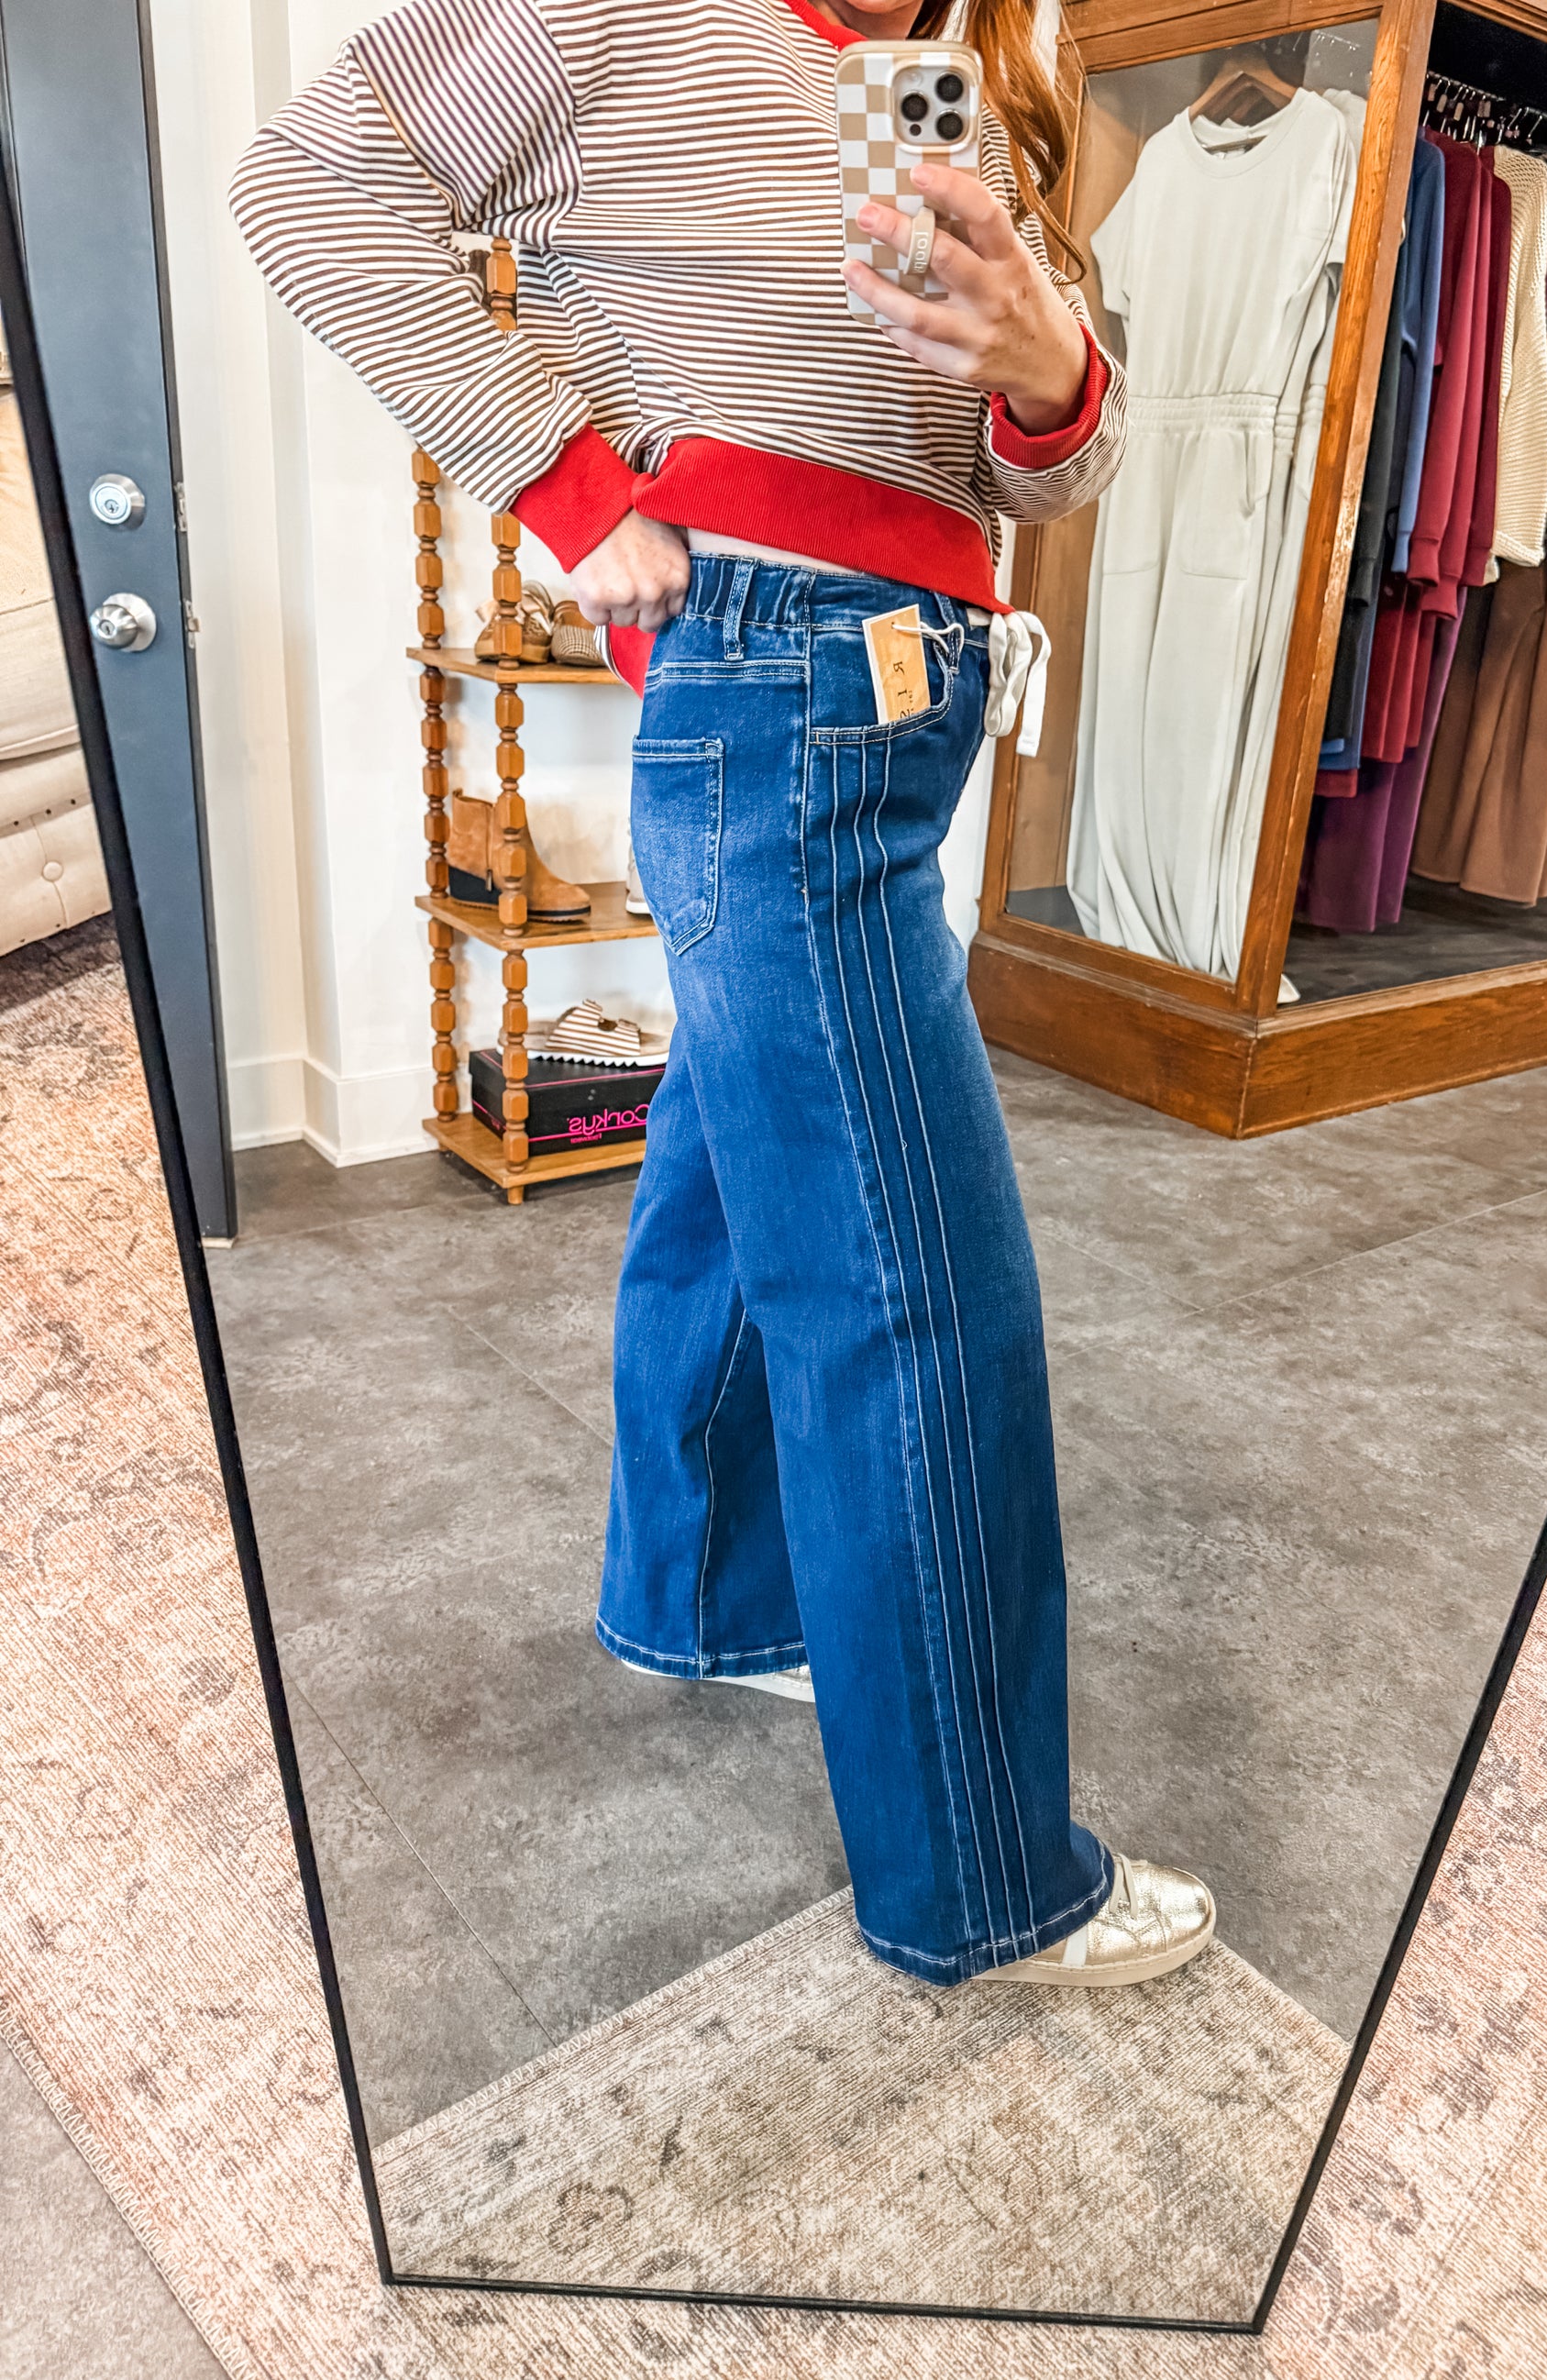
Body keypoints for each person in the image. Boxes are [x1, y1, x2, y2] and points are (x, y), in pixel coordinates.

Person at [232, 0, 1214, 1988]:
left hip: (889, 696)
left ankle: (698, 1599)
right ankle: (983, 1879)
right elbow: (309, 183)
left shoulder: (938, 82)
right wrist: (567, 487)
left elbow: (1018, 474)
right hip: (783, 686)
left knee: (724, 1178)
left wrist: (1046, 370)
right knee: (908, 1284)